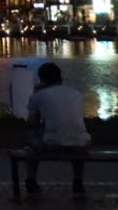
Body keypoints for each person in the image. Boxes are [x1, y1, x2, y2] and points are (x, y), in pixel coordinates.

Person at [22, 62, 90, 196]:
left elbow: (31, 123)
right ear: (60, 78)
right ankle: (78, 181)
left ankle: (31, 180)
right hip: (82, 143)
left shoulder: (38, 95)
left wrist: (36, 96)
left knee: (31, 140)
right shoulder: (76, 94)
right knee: (75, 136)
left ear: (41, 79)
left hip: (54, 145)